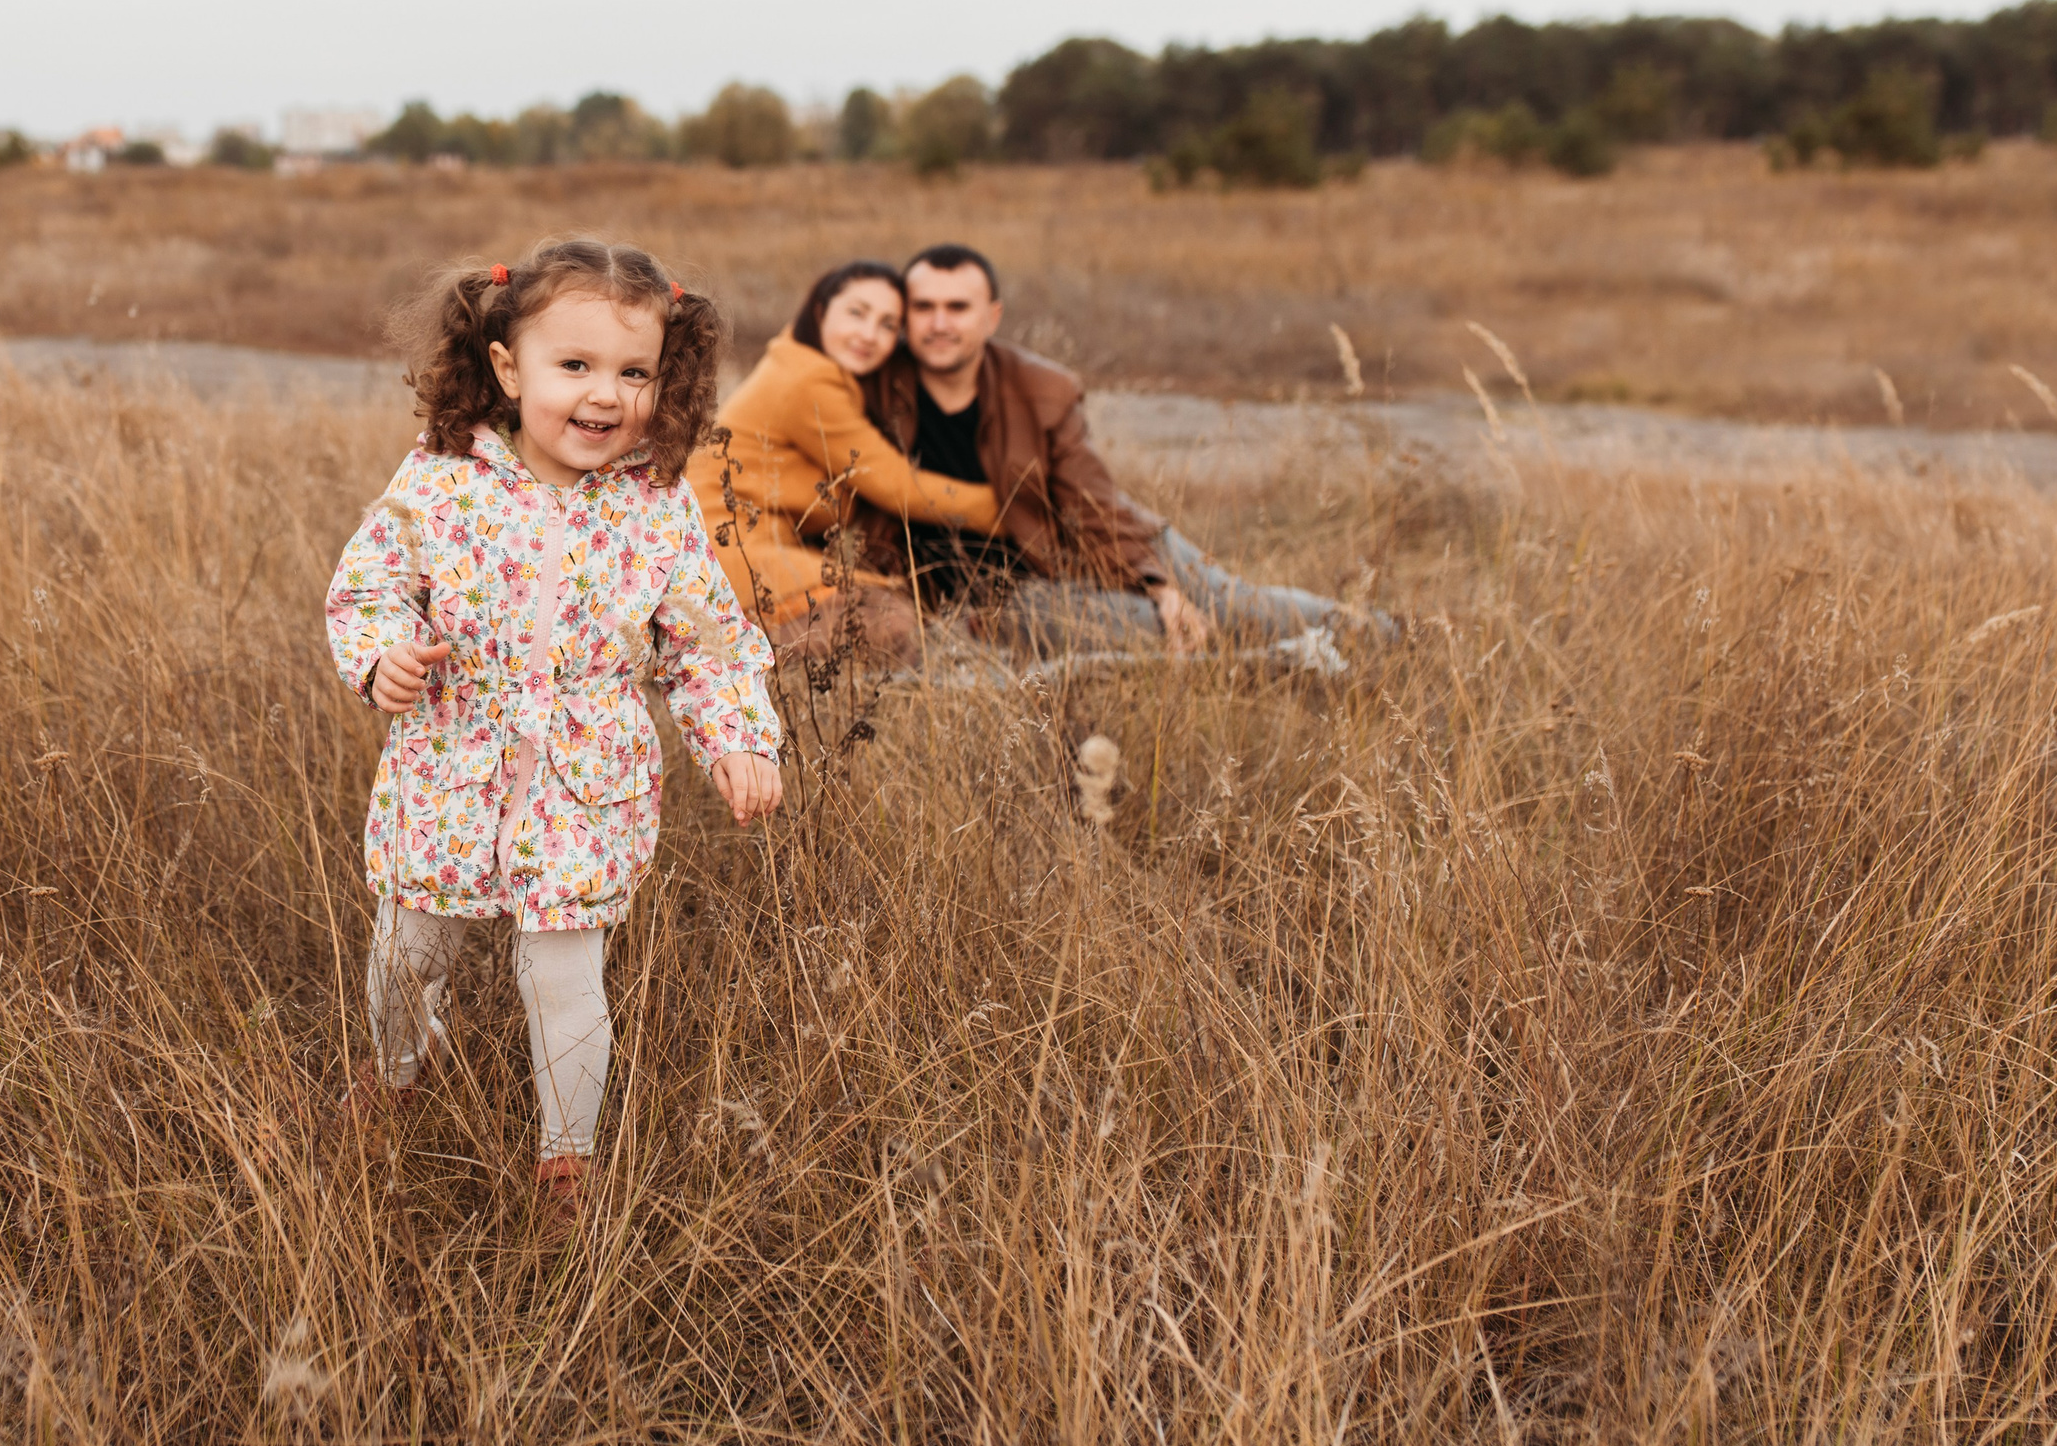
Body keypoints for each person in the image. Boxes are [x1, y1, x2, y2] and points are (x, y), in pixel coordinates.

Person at [324, 237, 783, 1232]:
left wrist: (739, 739)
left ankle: (564, 1160)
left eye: (633, 372)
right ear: (506, 367)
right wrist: (385, 654)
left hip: (584, 780)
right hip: (451, 761)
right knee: (408, 949)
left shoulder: (656, 509)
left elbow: (707, 644)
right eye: (573, 366)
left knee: (562, 974)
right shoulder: (442, 485)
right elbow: (368, 589)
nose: (604, 396)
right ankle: (400, 1070)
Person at [865, 243, 1378, 657]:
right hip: (1019, 590)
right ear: (903, 316)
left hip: (1117, 536)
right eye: (924, 307)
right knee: (1156, 630)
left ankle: (1382, 633)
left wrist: (1157, 582)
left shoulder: (1041, 387)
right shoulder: (874, 388)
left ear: (992, 316)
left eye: (957, 307)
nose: (938, 324)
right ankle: (1292, 659)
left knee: (1234, 606)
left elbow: (1091, 500)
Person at [686, 260, 1001, 666]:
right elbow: (898, 487)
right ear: (820, 311)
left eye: (889, 325)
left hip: (731, 554)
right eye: (857, 313)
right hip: (729, 554)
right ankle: (720, 663)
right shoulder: (808, 381)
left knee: (889, 615)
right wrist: (1009, 509)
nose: (870, 335)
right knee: (892, 619)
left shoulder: (804, 364)